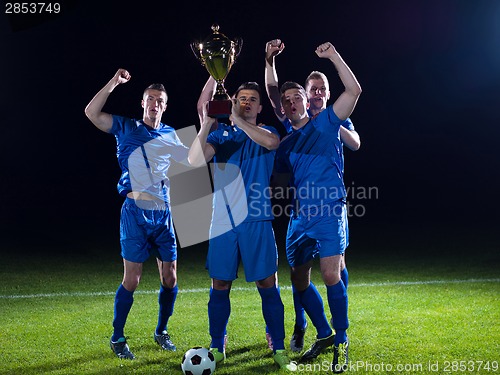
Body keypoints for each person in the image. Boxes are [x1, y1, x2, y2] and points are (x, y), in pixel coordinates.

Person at [188, 77, 294, 371]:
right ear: (232, 101)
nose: (245, 102)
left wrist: (237, 119)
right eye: (240, 98)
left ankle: (279, 346)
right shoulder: (221, 135)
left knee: (267, 283)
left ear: (260, 107)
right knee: (220, 284)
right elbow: (195, 161)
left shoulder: (268, 131)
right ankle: (216, 344)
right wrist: (207, 122)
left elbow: (273, 143)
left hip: (256, 219)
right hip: (222, 221)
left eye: (251, 100)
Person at [264, 39, 360, 360]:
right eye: (286, 100)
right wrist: (269, 60)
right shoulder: (286, 134)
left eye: (297, 97)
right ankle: (322, 333)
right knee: (298, 279)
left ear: (309, 100)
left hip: (330, 210)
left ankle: (342, 340)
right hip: (299, 216)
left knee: (332, 273)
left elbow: (353, 91)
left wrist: (333, 55)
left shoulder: (327, 122)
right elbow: (272, 89)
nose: (290, 102)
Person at [84, 68, 189, 359]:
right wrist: (114, 83)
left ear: (165, 106)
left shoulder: (170, 134)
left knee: (170, 278)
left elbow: (192, 161)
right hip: (135, 213)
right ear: (143, 103)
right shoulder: (127, 127)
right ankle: (117, 337)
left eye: (160, 100)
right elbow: (91, 112)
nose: (154, 103)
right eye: (150, 98)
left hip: (163, 214)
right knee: (132, 279)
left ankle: (161, 331)